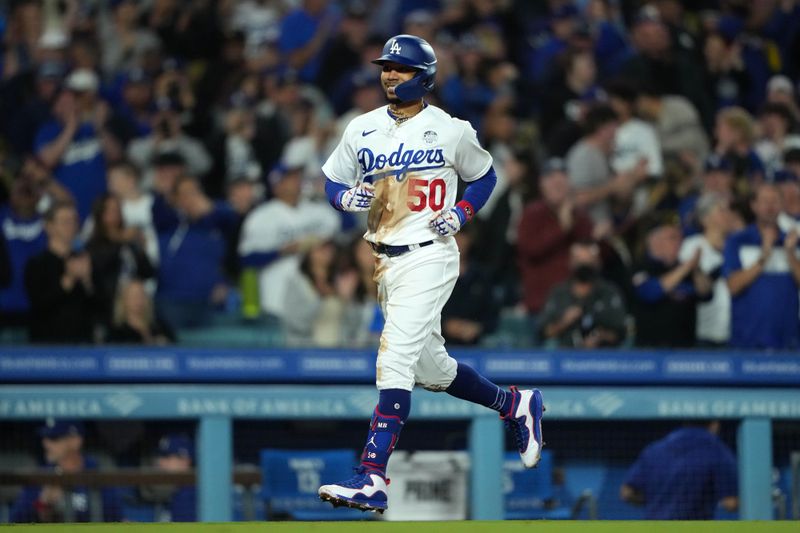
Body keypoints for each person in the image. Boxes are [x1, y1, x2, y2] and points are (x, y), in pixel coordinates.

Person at [316, 34, 544, 513]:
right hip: (384, 260)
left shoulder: (451, 129)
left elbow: (485, 176)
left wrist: (462, 212)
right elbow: (332, 178)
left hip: (429, 254)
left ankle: (372, 475)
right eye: (386, 67)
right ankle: (514, 404)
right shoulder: (361, 128)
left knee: (393, 357)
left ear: (424, 76)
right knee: (432, 370)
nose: (389, 74)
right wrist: (342, 197)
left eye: (399, 68)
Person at [724, 183, 800, 349]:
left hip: (788, 342)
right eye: (765, 201)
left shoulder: (793, 241)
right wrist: (763, 258)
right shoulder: (738, 240)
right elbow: (733, 286)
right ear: (754, 205)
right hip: (747, 341)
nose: (770, 206)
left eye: (775, 201)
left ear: (782, 205)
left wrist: (790, 254)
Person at [621, 420, 738, 520]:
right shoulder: (717, 450)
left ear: (686, 423)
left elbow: (627, 493)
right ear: (715, 425)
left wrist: (656, 502)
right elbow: (730, 503)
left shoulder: (654, 449)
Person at [11, 419, 123, 523]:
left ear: (75, 441)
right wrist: (43, 505)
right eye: (45, 438)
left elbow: (115, 519)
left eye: (54, 438)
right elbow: (16, 522)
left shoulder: (98, 474)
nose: (46, 444)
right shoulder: (42, 476)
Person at [24, 201, 97, 343]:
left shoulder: (85, 260)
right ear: (49, 226)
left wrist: (88, 281)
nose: (71, 226)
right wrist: (67, 281)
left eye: (74, 220)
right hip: (47, 348)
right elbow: (38, 305)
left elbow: (100, 308)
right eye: (65, 221)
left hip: (83, 348)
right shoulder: (36, 264)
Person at [631, 222, 712, 348]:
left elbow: (706, 294)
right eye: (673, 238)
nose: (679, 242)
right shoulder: (640, 266)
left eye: (681, 238)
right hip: (650, 349)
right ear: (655, 241)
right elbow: (650, 293)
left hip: (686, 348)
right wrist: (687, 267)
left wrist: (696, 269)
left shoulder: (687, 268)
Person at [538, 239, 628, 348]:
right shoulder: (559, 292)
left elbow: (622, 333)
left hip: (603, 356)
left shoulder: (609, 292)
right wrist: (564, 322)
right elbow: (543, 332)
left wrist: (600, 336)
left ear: (597, 262)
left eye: (589, 261)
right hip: (564, 355)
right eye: (580, 262)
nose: (584, 266)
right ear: (571, 262)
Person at [106, 279, 174, 345]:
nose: (138, 300)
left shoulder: (159, 326)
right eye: (133, 296)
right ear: (123, 300)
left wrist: (165, 342)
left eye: (141, 295)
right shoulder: (116, 332)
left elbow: (176, 346)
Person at [152, 434, 196, 522]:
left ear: (185, 461)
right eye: (159, 456)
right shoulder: (173, 492)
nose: (159, 462)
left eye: (167, 457)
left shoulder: (188, 497)